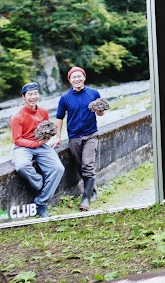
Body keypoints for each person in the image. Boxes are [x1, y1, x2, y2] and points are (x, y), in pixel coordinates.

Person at [54, 66, 106, 211]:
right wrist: (58, 136)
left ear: (84, 77)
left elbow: (100, 114)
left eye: (79, 76)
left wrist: (99, 110)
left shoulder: (93, 93)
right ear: (70, 80)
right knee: (80, 166)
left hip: (91, 134)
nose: (77, 79)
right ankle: (92, 190)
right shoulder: (65, 98)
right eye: (74, 77)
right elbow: (59, 117)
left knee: (88, 165)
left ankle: (85, 199)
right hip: (74, 137)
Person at [9, 81, 63, 218]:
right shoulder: (16, 117)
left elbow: (47, 129)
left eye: (35, 94)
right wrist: (35, 144)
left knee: (58, 168)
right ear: (23, 97)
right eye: (29, 94)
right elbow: (17, 140)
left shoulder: (43, 111)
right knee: (21, 165)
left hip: (41, 146)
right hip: (23, 147)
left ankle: (41, 203)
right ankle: (39, 183)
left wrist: (47, 139)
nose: (33, 97)